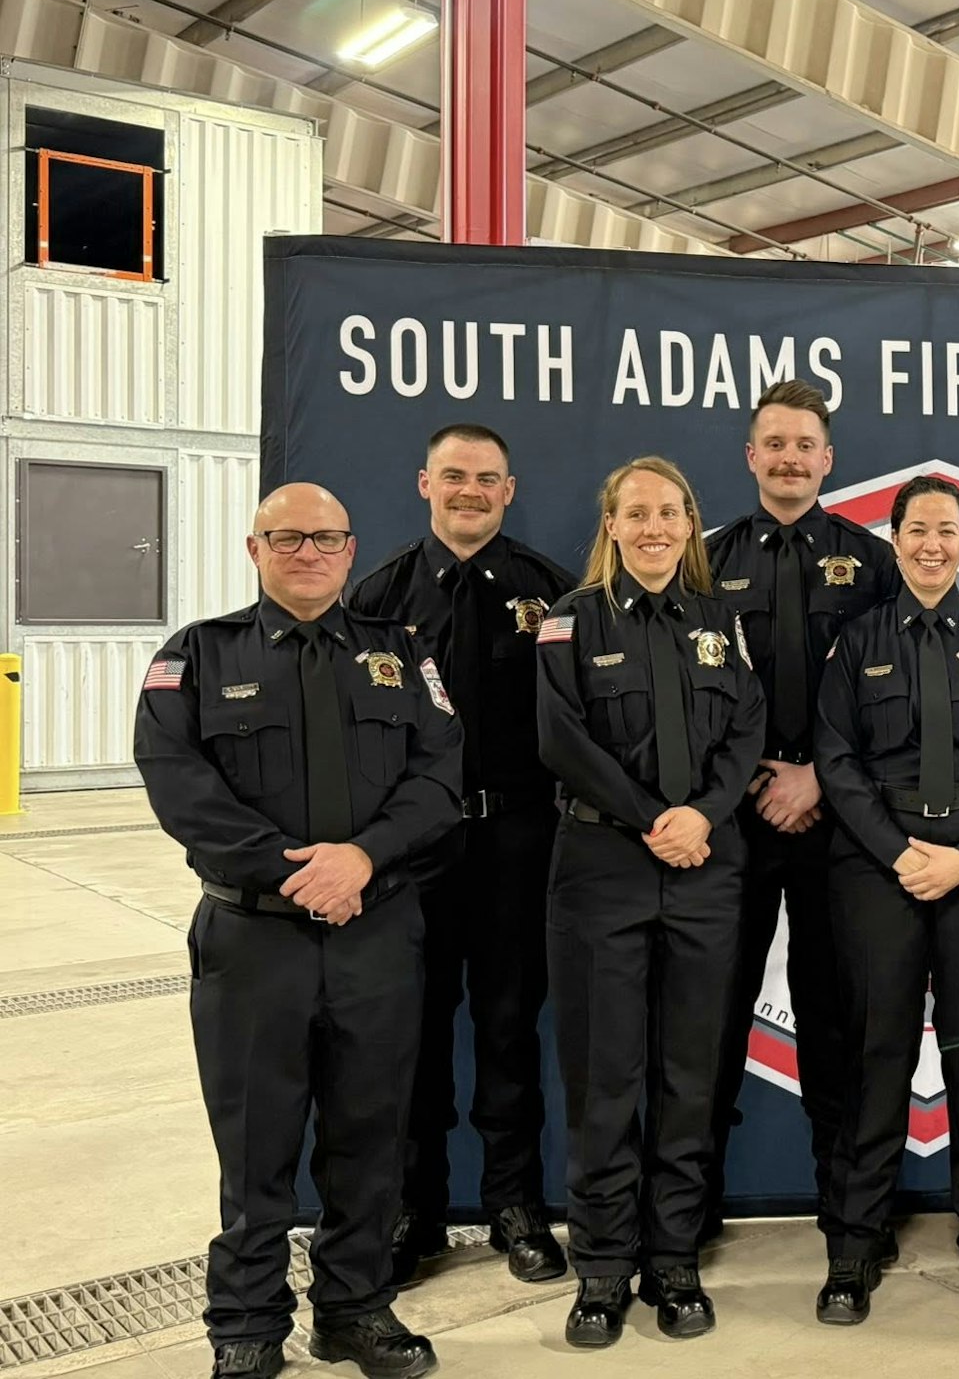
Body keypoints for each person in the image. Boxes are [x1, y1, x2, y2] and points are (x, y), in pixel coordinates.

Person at [135, 483, 461, 1379]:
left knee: (371, 1136)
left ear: (351, 549)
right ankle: (246, 1321)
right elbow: (179, 788)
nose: (308, 552)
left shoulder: (401, 654)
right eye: (289, 538)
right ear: (255, 548)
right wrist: (299, 872)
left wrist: (361, 860)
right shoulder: (197, 655)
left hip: (375, 934)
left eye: (326, 538)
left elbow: (439, 777)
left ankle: (355, 1310)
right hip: (253, 946)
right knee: (255, 1141)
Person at [534, 457, 766, 1349]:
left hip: (706, 867)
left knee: (688, 1075)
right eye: (639, 513)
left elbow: (745, 729)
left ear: (690, 522)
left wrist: (701, 816)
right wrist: (651, 821)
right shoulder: (568, 622)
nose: (657, 528)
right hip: (602, 867)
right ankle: (600, 1269)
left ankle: (673, 1260)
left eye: (671, 512)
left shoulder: (720, 624)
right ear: (612, 524)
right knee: (604, 1079)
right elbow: (560, 738)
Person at [813, 476, 959, 1326]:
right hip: (881, 868)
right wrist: (898, 851)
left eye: (946, 531)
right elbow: (835, 759)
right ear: (896, 536)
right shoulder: (856, 639)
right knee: (874, 1054)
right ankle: (853, 1245)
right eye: (916, 530)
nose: (930, 545)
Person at [348, 424, 573, 1288]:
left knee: (512, 1026)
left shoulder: (549, 593)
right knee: (415, 1028)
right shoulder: (377, 596)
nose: (469, 490)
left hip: (520, 840)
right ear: (424, 483)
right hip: (415, 850)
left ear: (509, 490)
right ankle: (420, 1207)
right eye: (454, 476)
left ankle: (514, 1203)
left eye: (486, 478)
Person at [705, 382, 899, 1231]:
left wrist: (819, 776)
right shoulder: (702, 562)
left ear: (828, 459)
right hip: (733, 824)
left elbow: (895, 700)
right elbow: (696, 695)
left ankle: (846, 1210)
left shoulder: (874, 560)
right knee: (708, 1016)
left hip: (838, 823)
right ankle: (690, 1209)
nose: (789, 458)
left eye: (804, 444)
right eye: (773, 443)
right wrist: (757, 781)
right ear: (751, 457)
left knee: (837, 1019)